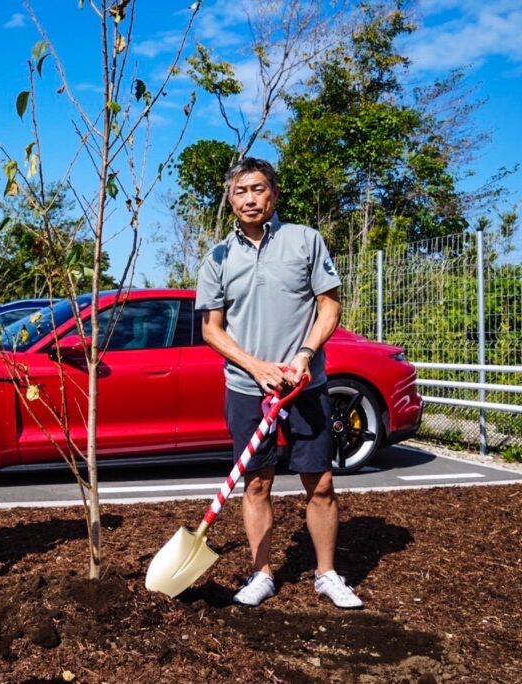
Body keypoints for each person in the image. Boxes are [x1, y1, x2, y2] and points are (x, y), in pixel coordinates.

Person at [195, 157, 362, 609]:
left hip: (304, 384)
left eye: (257, 189)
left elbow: (329, 306)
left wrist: (304, 355)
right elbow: (212, 329)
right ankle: (261, 573)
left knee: (320, 482)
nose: (249, 199)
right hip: (249, 387)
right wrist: (256, 367)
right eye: (239, 192)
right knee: (256, 484)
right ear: (230, 200)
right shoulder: (216, 258)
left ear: (274, 193)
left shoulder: (304, 240)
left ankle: (327, 574)